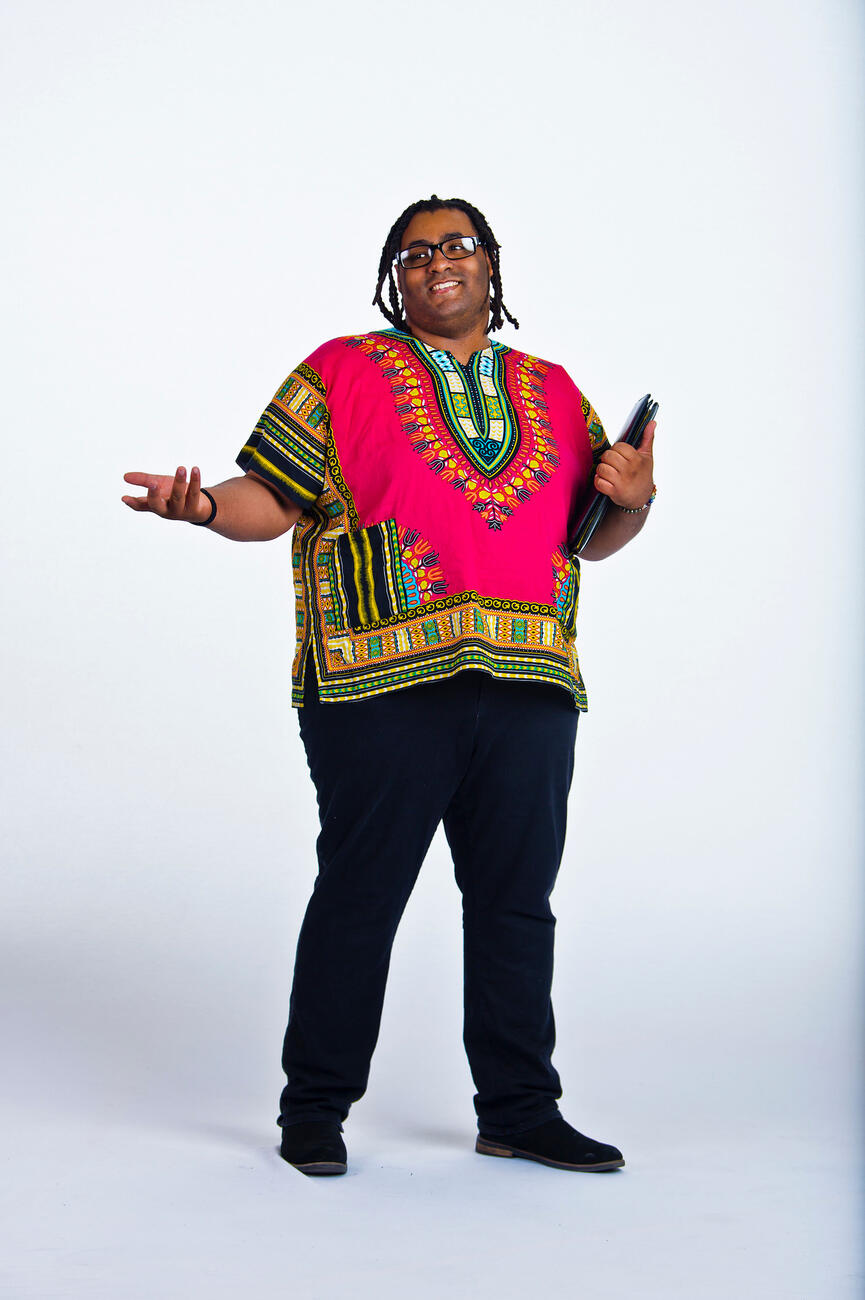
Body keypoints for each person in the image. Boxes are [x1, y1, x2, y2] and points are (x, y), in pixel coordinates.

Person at [122, 195, 657, 1178]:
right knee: (363, 894)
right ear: (392, 278)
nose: (434, 264)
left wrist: (635, 500)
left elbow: (593, 536)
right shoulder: (340, 371)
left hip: (532, 676)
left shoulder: (551, 387)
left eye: (455, 246)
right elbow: (271, 500)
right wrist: (200, 506)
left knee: (514, 903)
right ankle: (314, 1111)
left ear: (492, 266)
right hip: (378, 678)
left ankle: (519, 1109)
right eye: (411, 254)